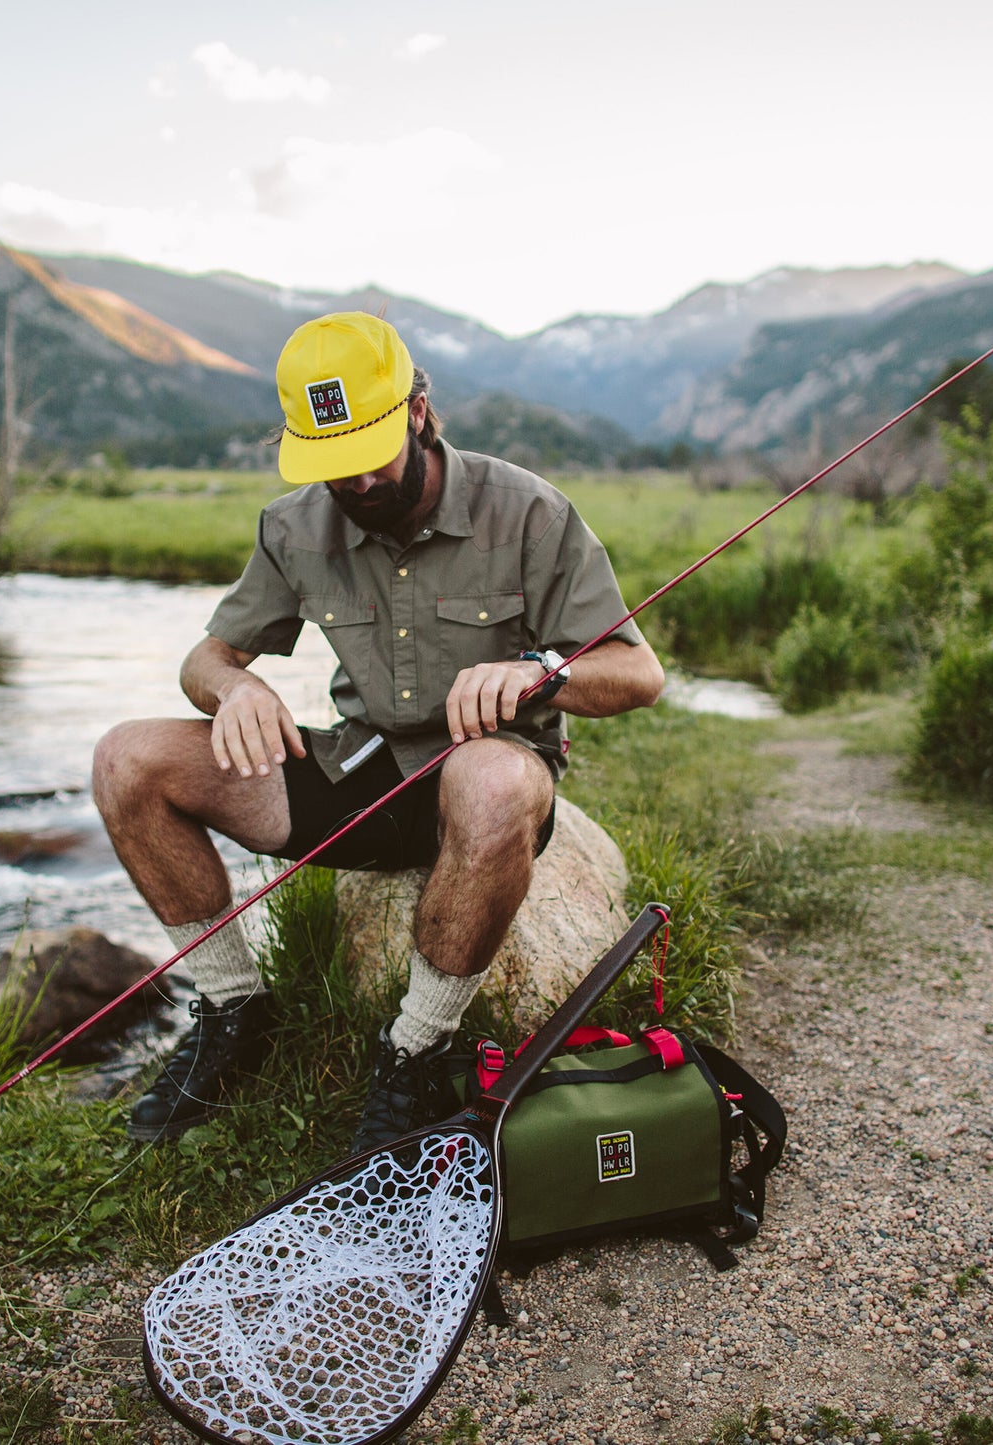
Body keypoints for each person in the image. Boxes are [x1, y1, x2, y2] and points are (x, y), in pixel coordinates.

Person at [92, 311, 665, 1152]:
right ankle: (234, 1011)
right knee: (124, 759)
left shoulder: (529, 512)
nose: (353, 483)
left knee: (493, 780)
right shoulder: (292, 526)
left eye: (367, 455)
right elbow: (204, 659)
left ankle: (413, 1052)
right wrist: (232, 685)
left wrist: (541, 670)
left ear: (418, 413)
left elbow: (638, 673)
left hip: (489, 775)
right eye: (331, 466)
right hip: (361, 768)